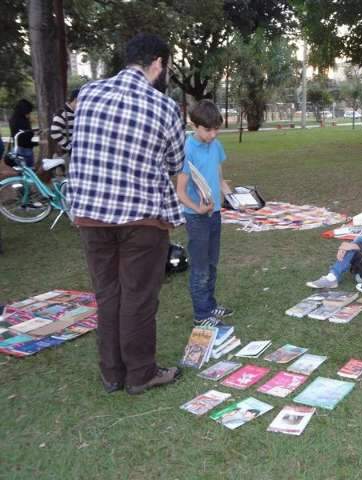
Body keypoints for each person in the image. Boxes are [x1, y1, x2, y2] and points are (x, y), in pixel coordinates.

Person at [69, 33, 184, 395]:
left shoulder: (88, 93)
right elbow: (175, 162)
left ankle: (112, 373)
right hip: (142, 218)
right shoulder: (164, 106)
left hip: (90, 213)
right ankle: (140, 373)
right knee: (138, 296)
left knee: (108, 293)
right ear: (158, 64)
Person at [176, 100, 234, 327]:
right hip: (196, 216)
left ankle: (210, 306)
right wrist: (196, 207)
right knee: (200, 268)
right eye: (207, 130)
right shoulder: (187, 149)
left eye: (216, 129)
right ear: (194, 126)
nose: (212, 134)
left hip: (215, 213)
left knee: (211, 264)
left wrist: (234, 198)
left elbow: (219, 179)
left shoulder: (216, 145)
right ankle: (201, 315)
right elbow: (180, 192)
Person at [50, 88, 80, 155]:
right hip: (67, 152)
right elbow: (54, 133)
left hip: (76, 151)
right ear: (76, 99)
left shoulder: (76, 112)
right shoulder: (62, 113)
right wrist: (69, 147)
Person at [9, 99, 36, 167]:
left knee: (20, 171)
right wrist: (37, 142)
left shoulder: (13, 119)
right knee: (29, 171)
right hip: (25, 150)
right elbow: (24, 138)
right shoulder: (23, 121)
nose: (29, 114)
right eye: (29, 112)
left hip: (17, 148)